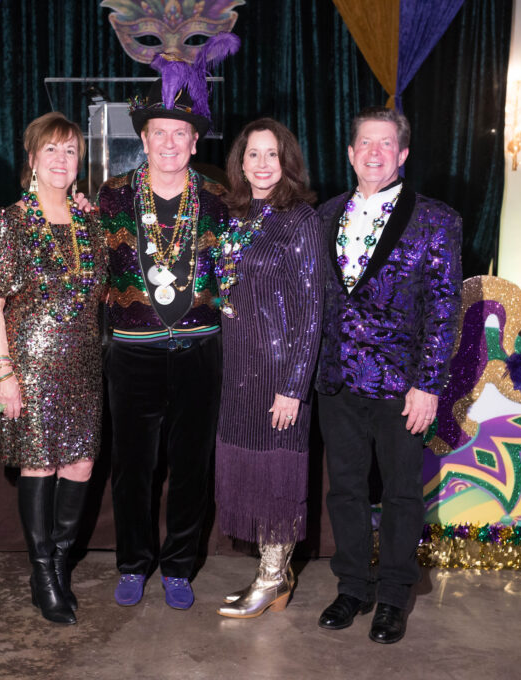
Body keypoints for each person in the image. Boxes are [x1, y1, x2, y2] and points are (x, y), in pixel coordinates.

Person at [97, 34, 238, 610]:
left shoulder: (220, 198)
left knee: (191, 469)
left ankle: (179, 566)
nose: (171, 143)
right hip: (133, 352)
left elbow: (239, 270)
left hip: (201, 351)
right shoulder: (109, 197)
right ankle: (134, 562)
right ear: (144, 138)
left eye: (181, 133)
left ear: (195, 140)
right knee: (132, 469)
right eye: (160, 133)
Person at [315, 106, 462, 644]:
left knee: (401, 494)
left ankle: (395, 596)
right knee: (345, 490)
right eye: (365, 143)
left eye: (385, 144)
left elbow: (444, 308)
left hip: (402, 386)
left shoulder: (437, 219)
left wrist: (428, 384)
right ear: (350, 153)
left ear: (402, 154)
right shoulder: (325, 213)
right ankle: (353, 586)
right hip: (336, 381)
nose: (374, 152)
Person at [0, 112, 107, 626]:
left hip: (84, 364)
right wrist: (4, 373)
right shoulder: (9, 223)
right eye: (50, 149)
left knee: (81, 465)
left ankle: (58, 564)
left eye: (70, 150)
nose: (60, 159)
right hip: (30, 366)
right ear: (31, 159)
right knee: (40, 465)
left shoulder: (90, 222)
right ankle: (44, 574)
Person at [213, 118, 325, 618]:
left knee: (277, 475)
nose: (261, 164)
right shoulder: (236, 214)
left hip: (278, 372)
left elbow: (312, 310)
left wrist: (294, 387)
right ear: (240, 162)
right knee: (252, 472)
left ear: (287, 162)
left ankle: (273, 577)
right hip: (238, 370)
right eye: (252, 154)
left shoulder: (300, 220)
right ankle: (271, 572)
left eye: (271, 154)